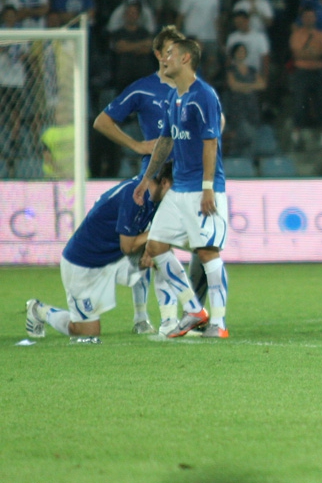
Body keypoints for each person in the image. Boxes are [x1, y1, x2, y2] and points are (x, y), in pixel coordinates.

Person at [93, 25, 205, 336]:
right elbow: (102, 121)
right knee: (153, 247)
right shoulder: (143, 89)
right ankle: (149, 317)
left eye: (178, 51)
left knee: (183, 246)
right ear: (158, 54)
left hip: (189, 177)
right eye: (168, 51)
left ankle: (180, 317)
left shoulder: (193, 88)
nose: (174, 56)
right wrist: (137, 145)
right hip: (156, 179)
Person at [25, 162, 203, 342]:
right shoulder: (135, 195)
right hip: (84, 263)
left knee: (162, 256)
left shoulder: (158, 198)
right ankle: (39, 310)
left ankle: (169, 323)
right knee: (86, 332)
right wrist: (157, 235)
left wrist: (154, 245)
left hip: (117, 259)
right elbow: (128, 246)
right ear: (164, 182)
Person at [132, 37, 230, 339]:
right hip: (179, 188)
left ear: (186, 58)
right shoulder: (174, 97)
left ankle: (219, 323)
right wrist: (147, 178)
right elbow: (165, 140)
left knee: (207, 252)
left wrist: (208, 187)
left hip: (202, 188)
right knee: (156, 245)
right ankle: (193, 309)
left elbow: (211, 142)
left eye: (170, 54)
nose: (164, 59)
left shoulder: (204, 95)